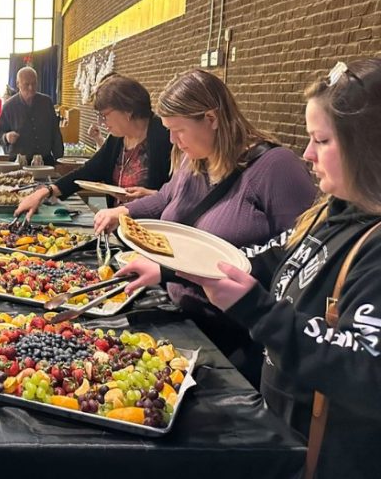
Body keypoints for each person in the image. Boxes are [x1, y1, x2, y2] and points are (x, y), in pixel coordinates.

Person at [164, 58, 381, 479]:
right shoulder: (327, 214)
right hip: (283, 436)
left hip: (332, 459)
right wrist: (183, 267)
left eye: (321, 140)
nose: (307, 154)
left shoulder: (372, 247)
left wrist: (257, 310)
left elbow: (366, 371)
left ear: (367, 147)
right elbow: (267, 257)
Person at [95, 68, 317, 385]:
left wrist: (170, 270)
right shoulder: (191, 159)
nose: (171, 139)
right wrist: (125, 211)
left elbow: (296, 255)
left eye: (179, 129)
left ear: (211, 119)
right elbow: (165, 199)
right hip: (182, 316)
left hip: (233, 336)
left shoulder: (276, 168)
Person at [16, 74, 172, 219]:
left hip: (152, 232)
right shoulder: (118, 139)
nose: (102, 123)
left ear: (127, 111)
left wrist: (152, 195)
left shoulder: (166, 137)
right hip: (118, 225)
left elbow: (183, 196)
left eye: (104, 115)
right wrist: (46, 191)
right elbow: (88, 171)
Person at [0, 67, 64, 165]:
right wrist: (6, 137)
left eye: (34, 83)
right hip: (19, 163)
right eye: (27, 84)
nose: (31, 88)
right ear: (18, 84)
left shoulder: (46, 102)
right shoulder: (9, 106)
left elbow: (55, 133)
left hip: (45, 161)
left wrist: (59, 160)